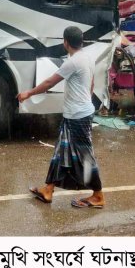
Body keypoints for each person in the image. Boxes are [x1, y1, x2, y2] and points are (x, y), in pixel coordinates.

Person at [20, 26, 104, 209]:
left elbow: (50, 82)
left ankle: (98, 195)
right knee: (61, 152)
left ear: (65, 42)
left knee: (85, 156)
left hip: (78, 117)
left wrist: (29, 93)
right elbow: (91, 83)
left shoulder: (72, 63)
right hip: (77, 113)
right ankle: (48, 189)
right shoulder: (87, 58)